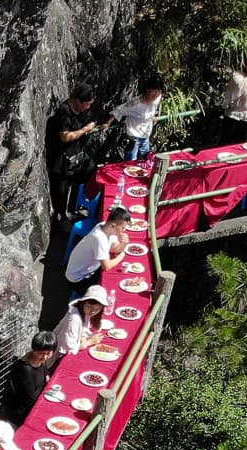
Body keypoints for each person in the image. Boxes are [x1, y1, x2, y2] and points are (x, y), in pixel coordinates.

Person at [46, 83, 99, 223]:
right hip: (62, 159)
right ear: (77, 100)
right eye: (86, 104)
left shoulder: (80, 111)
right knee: (61, 192)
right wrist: (84, 130)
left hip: (77, 155)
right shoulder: (64, 111)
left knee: (92, 170)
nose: (87, 107)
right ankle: (61, 218)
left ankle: (79, 204)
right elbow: (65, 136)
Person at [65, 208, 130, 295]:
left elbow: (115, 250)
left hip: (89, 270)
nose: (124, 230)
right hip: (78, 279)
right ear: (113, 226)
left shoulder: (104, 226)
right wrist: (121, 257)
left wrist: (124, 243)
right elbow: (106, 266)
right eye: (123, 227)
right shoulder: (100, 239)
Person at [106, 75, 166, 160]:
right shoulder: (135, 104)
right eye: (154, 91)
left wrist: (153, 117)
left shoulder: (157, 97)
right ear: (148, 89)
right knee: (131, 164)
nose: (156, 94)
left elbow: (153, 108)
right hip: (133, 138)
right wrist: (108, 123)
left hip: (145, 137)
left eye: (159, 91)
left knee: (146, 161)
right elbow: (119, 110)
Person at [4, 332, 61, 420]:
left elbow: (46, 376)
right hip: (24, 411)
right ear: (34, 350)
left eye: (49, 353)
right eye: (41, 353)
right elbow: (31, 398)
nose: (45, 357)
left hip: (38, 399)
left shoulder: (40, 360)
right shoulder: (25, 369)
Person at [53, 286, 110, 356]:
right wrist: (90, 342)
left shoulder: (84, 312)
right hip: (57, 355)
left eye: (97, 309)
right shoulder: (74, 318)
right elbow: (68, 347)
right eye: (89, 307)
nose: (92, 312)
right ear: (83, 303)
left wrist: (84, 338)